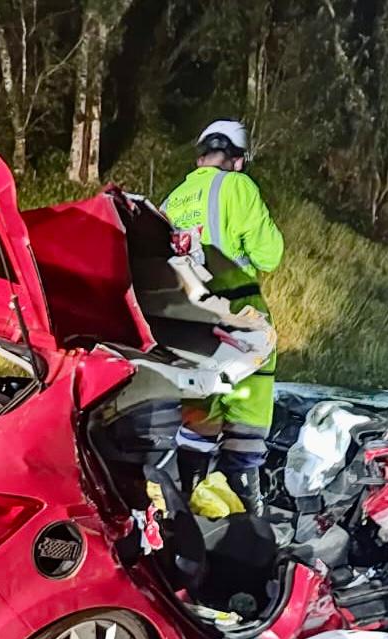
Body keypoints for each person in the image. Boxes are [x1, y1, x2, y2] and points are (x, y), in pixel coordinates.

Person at [161, 119, 284, 514]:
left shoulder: (172, 199)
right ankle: (242, 492)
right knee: (251, 390)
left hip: (185, 320)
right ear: (237, 160)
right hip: (236, 310)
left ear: (201, 155)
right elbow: (270, 255)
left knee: (200, 403)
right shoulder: (237, 186)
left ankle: (190, 488)